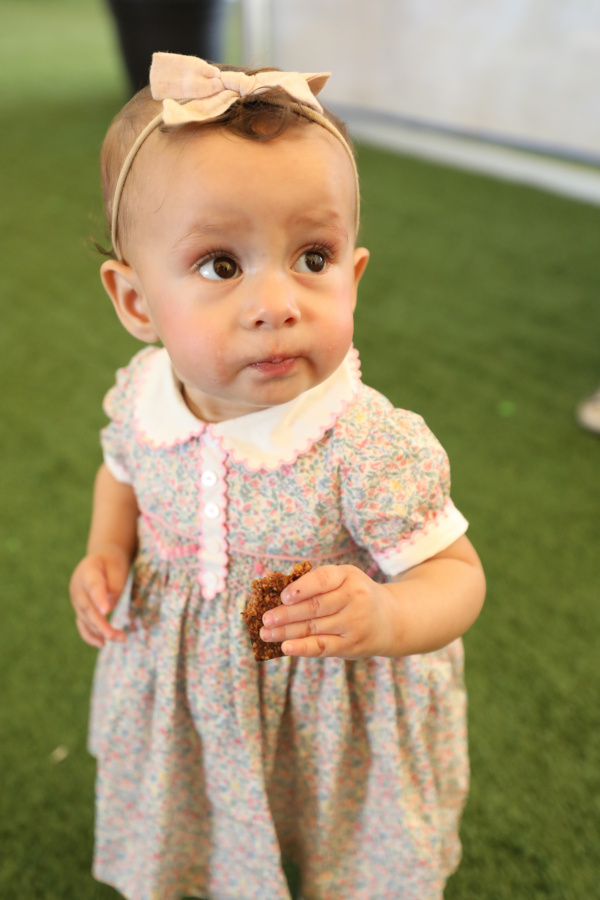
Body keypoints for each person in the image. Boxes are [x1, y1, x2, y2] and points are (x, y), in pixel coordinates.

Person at [69, 52, 486, 900]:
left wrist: (387, 614)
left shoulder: (363, 442)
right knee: (199, 838)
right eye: (221, 265)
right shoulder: (143, 397)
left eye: (313, 257)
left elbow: (457, 575)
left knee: (347, 849)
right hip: (190, 692)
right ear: (136, 302)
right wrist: (106, 550)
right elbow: (122, 472)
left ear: (353, 274)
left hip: (335, 705)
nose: (277, 304)